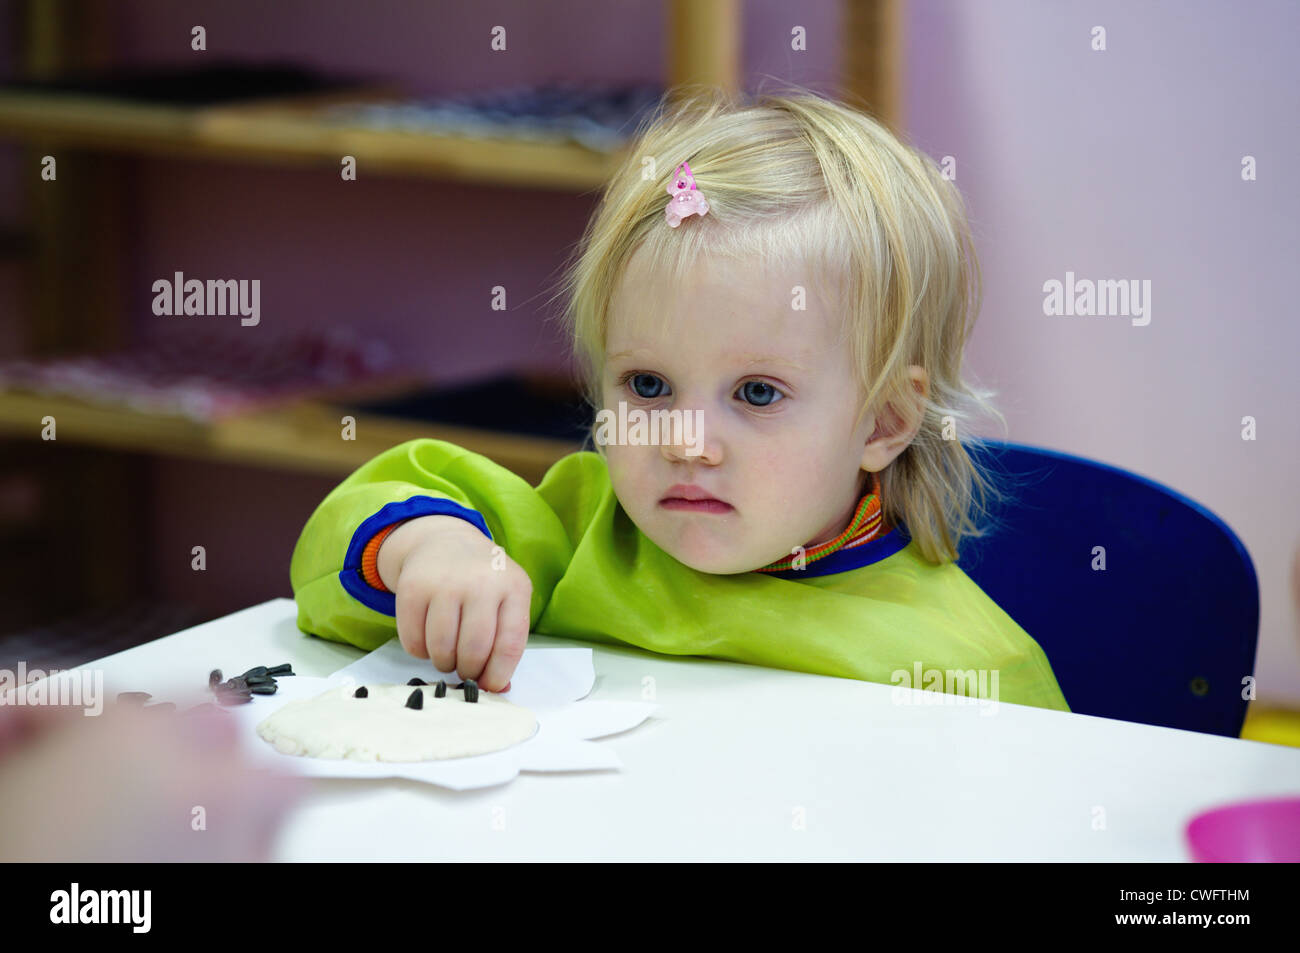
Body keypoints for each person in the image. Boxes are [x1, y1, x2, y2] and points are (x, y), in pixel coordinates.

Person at [289, 86, 1070, 712]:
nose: (686, 440)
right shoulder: (574, 535)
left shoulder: (967, 669)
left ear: (886, 420)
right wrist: (433, 550)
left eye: (758, 392)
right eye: (649, 385)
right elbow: (332, 566)